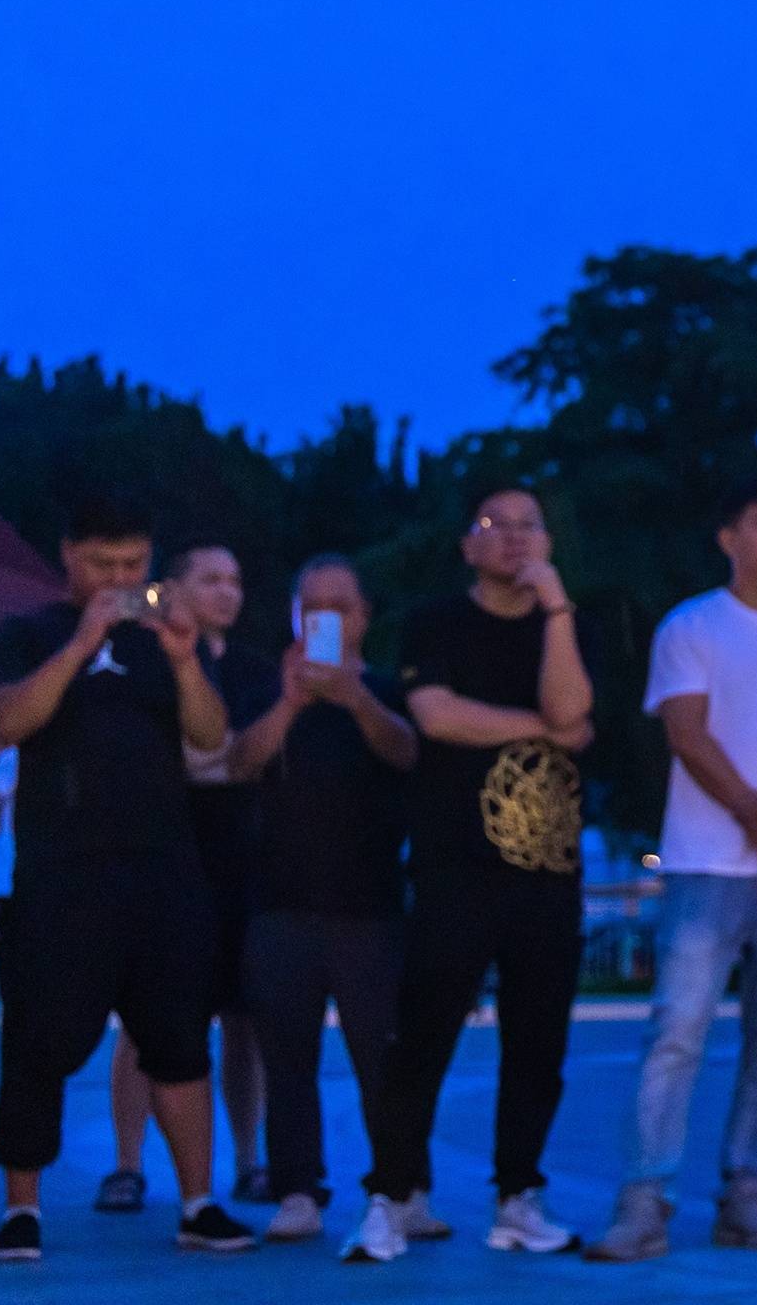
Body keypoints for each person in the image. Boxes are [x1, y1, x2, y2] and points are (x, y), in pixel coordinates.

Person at [587, 483, 757, 1262]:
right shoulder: (693, 625)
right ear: (728, 538)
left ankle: (750, 1189)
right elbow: (687, 731)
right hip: (709, 861)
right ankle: (645, 1198)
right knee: (677, 1030)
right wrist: (755, 815)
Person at [0, 496, 255, 1258]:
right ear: (68, 554)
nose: (120, 578)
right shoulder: (28, 632)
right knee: (38, 1038)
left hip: (164, 870)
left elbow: (211, 737)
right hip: (60, 875)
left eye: (133, 564)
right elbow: (8, 720)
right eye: (104, 564)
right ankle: (21, 1208)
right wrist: (81, 642)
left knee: (177, 1038)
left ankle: (199, 1201)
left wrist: (178, 658)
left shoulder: (167, 638)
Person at [358, 487, 593, 1259]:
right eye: (496, 526)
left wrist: (556, 612)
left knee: (539, 1043)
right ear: (467, 546)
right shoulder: (436, 622)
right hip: (457, 865)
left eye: (530, 525)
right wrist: (541, 728)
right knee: (422, 1036)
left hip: (547, 873)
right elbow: (437, 716)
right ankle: (391, 1195)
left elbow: (581, 714)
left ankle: (518, 1197)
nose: (514, 540)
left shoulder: (571, 626)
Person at [225, 557, 417, 1247]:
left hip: (369, 907)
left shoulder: (389, 689)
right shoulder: (263, 688)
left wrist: (355, 697)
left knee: (382, 1059)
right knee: (287, 1060)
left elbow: (407, 753)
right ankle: (297, 1188)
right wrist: (290, 702)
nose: (325, 619)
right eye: (312, 607)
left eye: (340, 606)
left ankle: (398, 1187)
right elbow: (239, 762)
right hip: (280, 904)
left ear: (363, 616)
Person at [106, 545, 277, 1214]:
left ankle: (249, 1157)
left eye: (236, 580)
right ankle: (126, 1164)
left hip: (236, 858)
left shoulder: (257, 669)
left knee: (243, 1019)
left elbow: (242, 759)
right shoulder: (136, 660)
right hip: (162, 854)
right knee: (146, 1020)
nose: (226, 592)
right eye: (209, 579)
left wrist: (223, 758)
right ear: (170, 586)